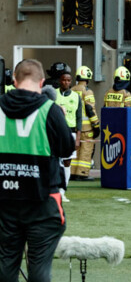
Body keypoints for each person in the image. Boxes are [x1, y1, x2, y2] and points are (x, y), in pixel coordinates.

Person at [0, 59, 75, 282]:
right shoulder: (49, 110)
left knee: (5, 266)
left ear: (14, 80)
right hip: (42, 200)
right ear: (42, 82)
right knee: (40, 268)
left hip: (4, 200)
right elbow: (67, 148)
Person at [54, 66, 81, 199]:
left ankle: (63, 191)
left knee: (67, 162)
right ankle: (54, 189)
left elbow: (79, 117)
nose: (66, 82)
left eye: (68, 80)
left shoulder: (76, 97)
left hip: (70, 132)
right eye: (63, 80)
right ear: (60, 81)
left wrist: (78, 137)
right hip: (55, 131)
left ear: (71, 82)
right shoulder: (54, 94)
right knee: (55, 160)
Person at [70, 66, 100, 180]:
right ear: (88, 78)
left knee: (75, 150)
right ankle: (82, 173)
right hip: (87, 128)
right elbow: (90, 109)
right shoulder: (87, 91)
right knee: (86, 151)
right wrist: (96, 125)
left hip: (75, 127)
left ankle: (72, 172)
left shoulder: (72, 90)